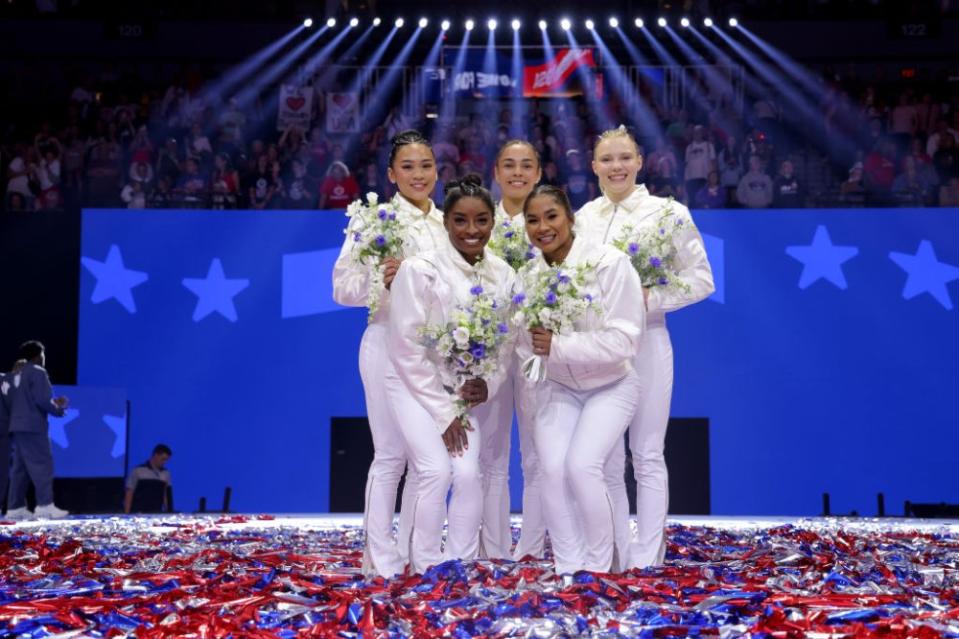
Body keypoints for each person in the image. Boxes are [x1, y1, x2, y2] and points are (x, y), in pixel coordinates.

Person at [577, 126, 715, 570]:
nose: (616, 166)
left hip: (648, 341)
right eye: (607, 159)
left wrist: (649, 298)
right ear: (594, 166)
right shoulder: (583, 218)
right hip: (599, 346)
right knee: (608, 456)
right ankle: (616, 549)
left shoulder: (668, 214)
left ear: (639, 162)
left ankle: (648, 554)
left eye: (624, 158)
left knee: (648, 453)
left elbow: (701, 279)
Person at [387, 175, 515, 573]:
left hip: (463, 396)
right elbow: (406, 348)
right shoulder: (419, 269)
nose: (471, 230)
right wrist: (444, 413)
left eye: (481, 221)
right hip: (413, 386)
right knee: (435, 471)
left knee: (467, 474)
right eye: (461, 220)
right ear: (446, 223)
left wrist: (489, 383)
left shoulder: (504, 274)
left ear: (493, 222)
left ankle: (458, 563)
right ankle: (424, 565)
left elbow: (507, 344)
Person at [332, 130, 446, 578]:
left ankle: (416, 555)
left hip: (437, 353)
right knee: (390, 456)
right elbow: (341, 288)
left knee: (428, 460)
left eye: (426, 166)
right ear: (392, 174)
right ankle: (380, 561)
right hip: (384, 343)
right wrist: (380, 277)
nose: (419, 175)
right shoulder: (372, 221)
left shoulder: (447, 223)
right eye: (409, 167)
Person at [515, 184, 645, 573]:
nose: (543, 227)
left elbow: (625, 341)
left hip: (612, 385)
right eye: (533, 220)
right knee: (550, 469)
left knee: (582, 465)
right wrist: (537, 372)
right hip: (557, 387)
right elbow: (526, 345)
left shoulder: (610, 263)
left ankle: (599, 567)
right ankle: (569, 568)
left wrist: (559, 346)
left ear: (570, 218)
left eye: (551, 216)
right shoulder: (528, 276)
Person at [486, 140, 543, 561]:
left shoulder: (551, 221)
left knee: (538, 454)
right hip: (487, 350)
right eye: (510, 165)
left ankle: (533, 547)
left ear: (538, 173)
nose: (517, 173)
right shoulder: (480, 222)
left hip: (538, 353)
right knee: (491, 453)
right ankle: (493, 547)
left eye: (526, 165)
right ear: (496, 172)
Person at [5, 342, 70, 520]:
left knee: (21, 468)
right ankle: (45, 506)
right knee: (42, 464)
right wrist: (59, 408)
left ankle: (15, 507)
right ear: (38, 355)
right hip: (33, 427)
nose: (44, 357)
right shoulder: (38, 372)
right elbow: (42, 400)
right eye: (43, 354)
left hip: (17, 426)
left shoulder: (15, 373)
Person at [124, 444, 173, 513]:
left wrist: (168, 512)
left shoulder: (166, 473)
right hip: (138, 512)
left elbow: (165, 495)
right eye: (163, 459)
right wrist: (127, 513)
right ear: (155, 455)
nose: (164, 462)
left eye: (166, 460)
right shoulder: (138, 471)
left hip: (156, 512)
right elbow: (129, 493)